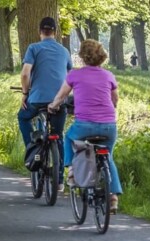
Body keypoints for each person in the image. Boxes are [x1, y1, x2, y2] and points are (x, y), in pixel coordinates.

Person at [48, 39, 122, 214]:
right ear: (101, 57)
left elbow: (61, 96)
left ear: (82, 57)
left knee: (67, 138)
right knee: (108, 157)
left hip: (84, 126)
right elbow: (115, 99)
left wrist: (53, 106)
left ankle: (72, 170)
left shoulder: (74, 75)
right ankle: (113, 196)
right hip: (108, 126)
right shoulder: (109, 76)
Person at [18, 16, 72, 190]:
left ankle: (32, 150)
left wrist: (25, 94)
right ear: (55, 32)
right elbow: (70, 78)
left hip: (37, 100)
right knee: (58, 135)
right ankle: (60, 181)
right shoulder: (64, 52)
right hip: (59, 101)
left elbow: (25, 74)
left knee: (23, 117)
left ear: (40, 31)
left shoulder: (33, 48)